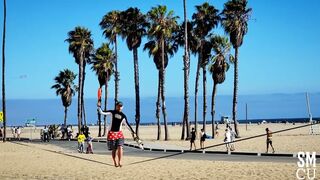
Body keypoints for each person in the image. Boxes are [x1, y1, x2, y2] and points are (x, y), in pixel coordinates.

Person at [98, 101, 136, 167]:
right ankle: (115, 161)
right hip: (111, 133)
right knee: (114, 149)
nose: (119, 107)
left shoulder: (123, 116)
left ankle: (120, 161)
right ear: (116, 106)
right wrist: (99, 107)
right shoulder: (112, 112)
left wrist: (133, 132)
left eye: (121, 106)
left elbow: (127, 125)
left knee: (120, 147)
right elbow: (102, 112)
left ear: (122, 107)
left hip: (119, 134)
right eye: (118, 106)